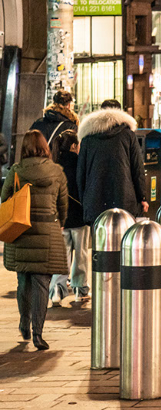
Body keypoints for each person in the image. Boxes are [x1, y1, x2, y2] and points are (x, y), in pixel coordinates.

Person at [2, 131, 68, 350]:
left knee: (24, 281)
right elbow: (63, 204)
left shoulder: (16, 171)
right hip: (47, 231)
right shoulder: (56, 171)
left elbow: (4, 198)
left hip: (21, 230)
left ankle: (24, 321)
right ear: (45, 147)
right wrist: (60, 222)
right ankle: (38, 334)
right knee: (41, 284)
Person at [77, 99, 148, 222]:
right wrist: (142, 197)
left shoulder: (88, 138)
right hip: (124, 198)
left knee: (99, 237)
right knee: (123, 236)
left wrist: (84, 199)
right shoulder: (128, 136)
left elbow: (80, 172)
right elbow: (137, 168)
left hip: (95, 200)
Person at [48, 130, 87, 306]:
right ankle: (80, 290)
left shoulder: (53, 164)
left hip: (60, 219)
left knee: (62, 256)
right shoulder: (80, 163)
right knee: (81, 254)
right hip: (79, 216)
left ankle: (57, 289)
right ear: (73, 146)